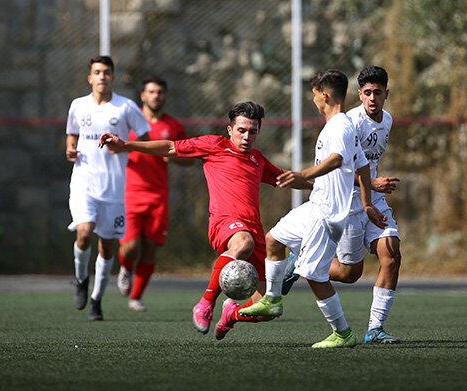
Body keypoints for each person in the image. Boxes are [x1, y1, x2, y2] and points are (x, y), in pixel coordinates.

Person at [99, 101, 312, 339]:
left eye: (253, 131)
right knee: (243, 243)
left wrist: (318, 186)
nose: (247, 136)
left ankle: (232, 314)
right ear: (230, 129)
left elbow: (285, 178)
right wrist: (127, 145)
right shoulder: (214, 145)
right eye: (242, 130)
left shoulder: (257, 160)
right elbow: (170, 147)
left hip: (253, 230)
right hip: (224, 222)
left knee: (267, 308)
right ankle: (205, 303)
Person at [240, 69, 388, 349]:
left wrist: (303, 174)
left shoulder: (340, 127)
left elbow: (338, 159)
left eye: (314, 95)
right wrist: (367, 203)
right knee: (274, 239)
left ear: (324, 94)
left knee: (315, 276)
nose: (313, 100)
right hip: (316, 204)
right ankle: (271, 300)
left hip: (327, 213)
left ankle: (343, 333)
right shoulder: (342, 125)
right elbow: (363, 166)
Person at [282, 66, 402, 344]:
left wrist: (373, 191)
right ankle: (299, 260)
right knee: (349, 274)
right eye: (367, 93)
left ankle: (375, 329)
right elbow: (342, 170)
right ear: (359, 95)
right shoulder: (348, 124)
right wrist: (372, 184)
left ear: (386, 94)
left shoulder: (388, 121)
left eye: (378, 93)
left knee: (392, 255)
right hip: (347, 204)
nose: (373, 98)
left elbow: (366, 164)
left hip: (373, 200)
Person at [65, 55, 151, 321]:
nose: (102, 77)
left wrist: (125, 145)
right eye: (97, 72)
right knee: (84, 232)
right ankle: (81, 280)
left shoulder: (125, 107)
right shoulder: (78, 105)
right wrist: (69, 148)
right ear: (90, 77)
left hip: (114, 188)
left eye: (107, 72)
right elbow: (72, 134)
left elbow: (145, 138)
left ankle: (96, 300)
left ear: (113, 77)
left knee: (107, 247)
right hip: (84, 183)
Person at [116, 76, 193, 312]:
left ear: (165, 95)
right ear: (143, 95)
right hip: (130, 192)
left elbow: (188, 158)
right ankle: (126, 267)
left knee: (150, 247)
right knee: (130, 246)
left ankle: (136, 297)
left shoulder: (173, 126)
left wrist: (174, 158)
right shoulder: (128, 121)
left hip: (158, 195)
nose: (155, 96)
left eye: (160, 92)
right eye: (151, 91)